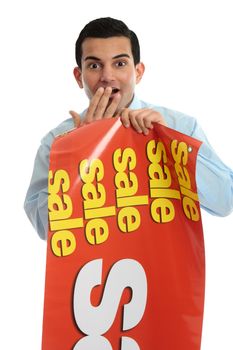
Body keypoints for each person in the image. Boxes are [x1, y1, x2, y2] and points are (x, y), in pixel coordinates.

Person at [24, 17, 233, 240]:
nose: (107, 77)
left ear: (139, 72)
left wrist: (171, 144)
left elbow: (225, 202)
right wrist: (83, 154)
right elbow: (46, 228)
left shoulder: (179, 126)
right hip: (94, 270)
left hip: (165, 266)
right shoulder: (57, 142)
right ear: (79, 76)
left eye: (120, 64)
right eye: (94, 66)